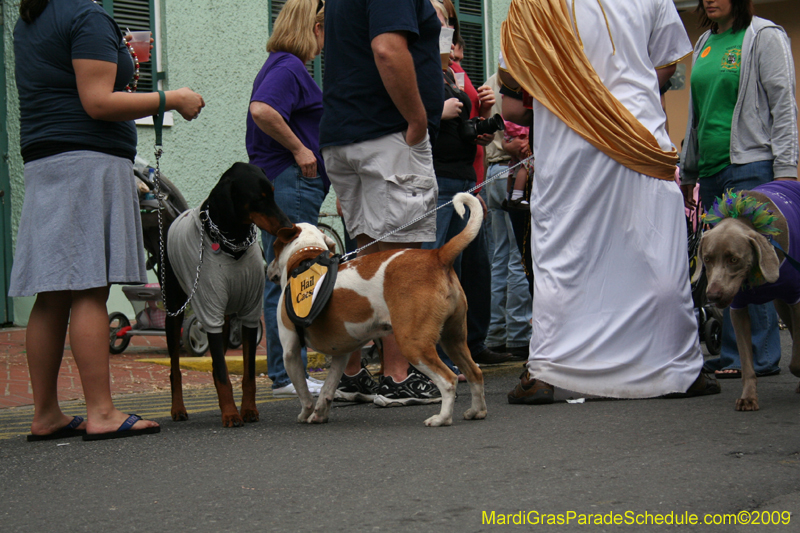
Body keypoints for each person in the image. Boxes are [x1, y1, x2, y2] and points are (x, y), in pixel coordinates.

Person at [502, 0, 718, 403]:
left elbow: (513, 101)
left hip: (569, 145)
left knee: (565, 252)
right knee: (655, 250)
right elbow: (668, 62)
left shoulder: (531, 5)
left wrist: (576, 101)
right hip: (638, 135)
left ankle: (548, 373)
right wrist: (619, 95)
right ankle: (678, 368)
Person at [12, 0, 204, 440]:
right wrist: (170, 99)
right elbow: (97, 102)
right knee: (90, 288)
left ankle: (46, 413)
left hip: (45, 160)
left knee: (53, 293)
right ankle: (101, 412)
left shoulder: (33, 17)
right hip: (87, 161)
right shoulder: (87, 15)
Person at [321, 0, 444, 406]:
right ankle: (397, 374)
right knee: (402, 262)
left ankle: (353, 374)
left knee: (368, 259)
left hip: (345, 132)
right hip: (385, 132)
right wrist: (417, 118)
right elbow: (387, 49)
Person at [679, 0, 797, 380]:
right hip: (712, 169)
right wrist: (689, 172)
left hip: (752, 165)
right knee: (721, 261)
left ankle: (760, 358)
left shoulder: (763, 35)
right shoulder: (703, 44)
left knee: (753, 264)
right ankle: (733, 352)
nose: (709, 0)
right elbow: (697, 113)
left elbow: (783, 105)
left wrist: (787, 170)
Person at [423, 0, 511, 368]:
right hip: (438, 177)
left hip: (465, 176)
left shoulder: (451, 69)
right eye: (437, 18)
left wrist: (486, 114)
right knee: (437, 267)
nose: (444, 26)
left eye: (446, 20)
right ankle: (437, 353)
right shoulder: (417, 66)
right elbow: (407, 122)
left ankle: (473, 343)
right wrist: (435, 113)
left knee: (475, 265)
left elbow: (474, 133)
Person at [247, 0, 327, 398]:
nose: (325, 41)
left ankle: (284, 371)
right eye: (324, 31)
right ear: (313, 27)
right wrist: (299, 149)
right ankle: (285, 374)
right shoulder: (290, 66)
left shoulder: (282, 64)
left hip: (287, 181)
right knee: (293, 274)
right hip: (291, 180)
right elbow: (262, 109)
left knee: (286, 274)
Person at [482, 72, 532, 359]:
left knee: (499, 256)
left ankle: (496, 332)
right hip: (516, 170)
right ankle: (518, 333)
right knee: (519, 256)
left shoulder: (492, 80)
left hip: (493, 172)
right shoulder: (522, 78)